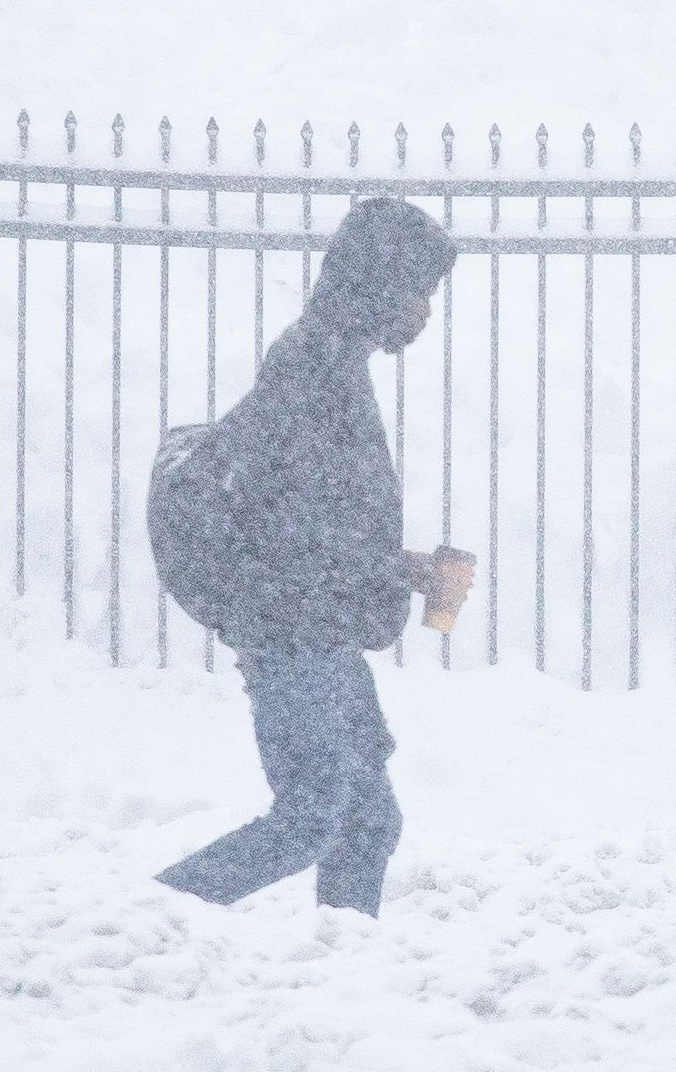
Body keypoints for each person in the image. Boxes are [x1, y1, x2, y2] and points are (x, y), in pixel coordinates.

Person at [156, 196, 466, 918]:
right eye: (419, 291)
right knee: (311, 816)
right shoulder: (313, 368)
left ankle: (343, 967)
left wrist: (405, 569)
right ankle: (147, 920)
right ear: (382, 284)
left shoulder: (332, 361)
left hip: (315, 624)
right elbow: (297, 529)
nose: (425, 312)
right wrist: (391, 571)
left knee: (366, 823)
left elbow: (320, 518)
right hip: (293, 628)